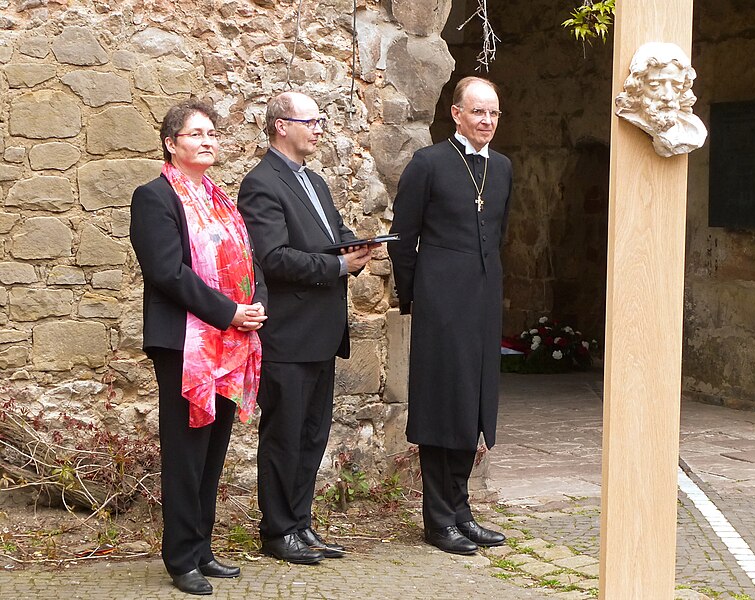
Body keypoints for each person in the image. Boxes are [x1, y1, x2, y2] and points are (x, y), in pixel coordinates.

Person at [130, 100, 266, 595]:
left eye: (212, 133)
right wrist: (228, 312)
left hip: (229, 344)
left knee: (213, 451)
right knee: (186, 451)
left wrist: (254, 307)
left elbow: (248, 262)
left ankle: (202, 547)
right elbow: (166, 272)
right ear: (172, 143)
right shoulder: (154, 198)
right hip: (185, 343)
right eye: (196, 133)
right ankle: (180, 557)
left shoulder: (219, 199)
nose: (208, 140)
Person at [237, 91, 372, 565]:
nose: (319, 129)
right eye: (310, 121)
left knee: (312, 436)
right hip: (289, 336)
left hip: (322, 332)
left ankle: (300, 523)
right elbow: (272, 258)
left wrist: (360, 247)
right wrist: (338, 267)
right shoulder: (261, 184)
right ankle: (277, 531)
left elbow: (332, 239)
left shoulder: (314, 180)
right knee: (284, 436)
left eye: (320, 121)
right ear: (280, 126)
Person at [388, 76, 512, 555]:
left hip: (481, 304)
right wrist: (415, 297)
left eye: (494, 113)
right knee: (443, 407)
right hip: (440, 305)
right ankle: (438, 519)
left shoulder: (502, 168)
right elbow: (403, 239)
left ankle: (461, 510)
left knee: (472, 406)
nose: (486, 121)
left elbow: (499, 234)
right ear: (456, 114)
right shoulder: (429, 164)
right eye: (478, 111)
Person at [614, 42, 707, 157]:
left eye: (676, 86)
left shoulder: (693, 129)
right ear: (638, 86)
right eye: (655, 85)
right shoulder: (627, 113)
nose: (668, 96)